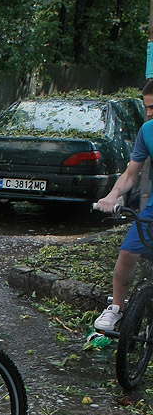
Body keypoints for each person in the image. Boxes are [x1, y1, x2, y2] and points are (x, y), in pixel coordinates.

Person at [93, 79, 153, 332]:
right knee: (128, 253)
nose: (148, 113)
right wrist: (113, 195)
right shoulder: (147, 131)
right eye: (147, 107)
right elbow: (130, 175)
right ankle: (117, 308)